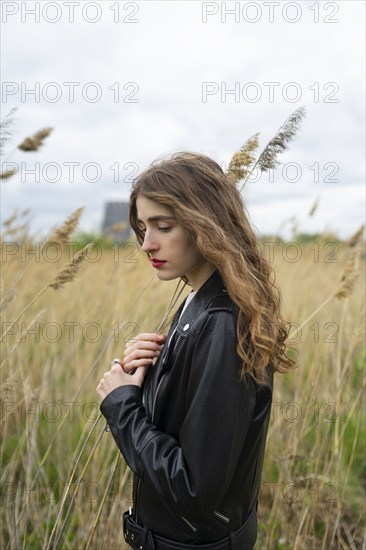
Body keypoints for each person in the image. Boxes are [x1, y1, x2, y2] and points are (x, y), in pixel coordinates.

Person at [96, 151, 294, 550]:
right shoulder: (196, 299)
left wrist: (121, 406)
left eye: (163, 226)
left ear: (205, 224)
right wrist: (150, 375)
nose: (146, 244)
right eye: (142, 227)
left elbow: (193, 489)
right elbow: (190, 422)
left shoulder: (222, 322)